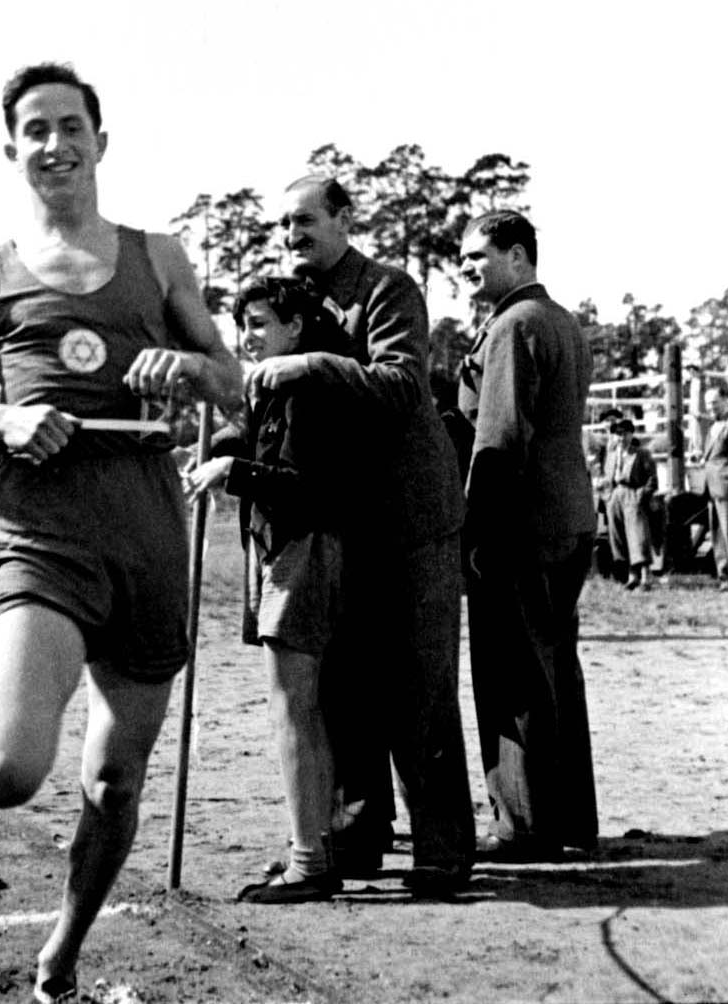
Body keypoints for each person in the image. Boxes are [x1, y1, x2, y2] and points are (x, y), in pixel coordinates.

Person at [0, 62, 241, 1004]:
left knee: (113, 786)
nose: (54, 144)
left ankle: (60, 958)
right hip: (41, 534)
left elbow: (230, 377)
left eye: (69, 125)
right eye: (34, 130)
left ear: (100, 140)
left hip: (148, 538)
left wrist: (187, 369)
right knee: (7, 773)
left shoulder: (159, 256)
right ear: (13, 152)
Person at [257, 176, 475, 894]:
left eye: (305, 221)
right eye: (284, 226)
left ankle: (441, 849)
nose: (292, 236)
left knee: (417, 685)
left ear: (345, 218)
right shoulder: (298, 303)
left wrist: (309, 365)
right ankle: (357, 835)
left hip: (412, 520)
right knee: (343, 689)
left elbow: (402, 384)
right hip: (341, 523)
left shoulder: (387, 288)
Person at [185, 277, 356, 903]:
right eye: (242, 325)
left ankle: (311, 862)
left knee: (295, 708)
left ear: (296, 327)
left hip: (306, 546)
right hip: (280, 548)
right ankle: (313, 847)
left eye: (258, 323)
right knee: (299, 707)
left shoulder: (310, 387)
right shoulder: (275, 388)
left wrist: (232, 470)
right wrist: (218, 448)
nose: (247, 337)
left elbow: (311, 484)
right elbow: (263, 448)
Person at [457, 209, 598, 862]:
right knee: (554, 670)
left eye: (475, 257)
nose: (465, 270)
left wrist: (477, 530)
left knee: (511, 674)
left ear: (516, 257)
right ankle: (569, 819)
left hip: (520, 523)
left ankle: (521, 826)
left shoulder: (512, 325)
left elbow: (499, 439)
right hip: (569, 515)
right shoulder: (560, 320)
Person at [605, 417, 658, 590]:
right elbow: (608, 478)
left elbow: (652, 479)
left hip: (633, 493)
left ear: (631, 434)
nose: (621, 438)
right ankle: (632, 576)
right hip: (616, 496)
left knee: (638, 535)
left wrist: (641, 495)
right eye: (618, 434)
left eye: (624, 433)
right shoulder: (612, 455)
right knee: (619, 535)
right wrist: (608, 496)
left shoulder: (641, 454)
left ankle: (645, 577)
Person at [701, 384, 728, 591]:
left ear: (725, 401)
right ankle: (724, 577)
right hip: (712, 488)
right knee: (717, 534)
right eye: (708, 403)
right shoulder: (712, 426)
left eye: (715, 402)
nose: (711, 407)